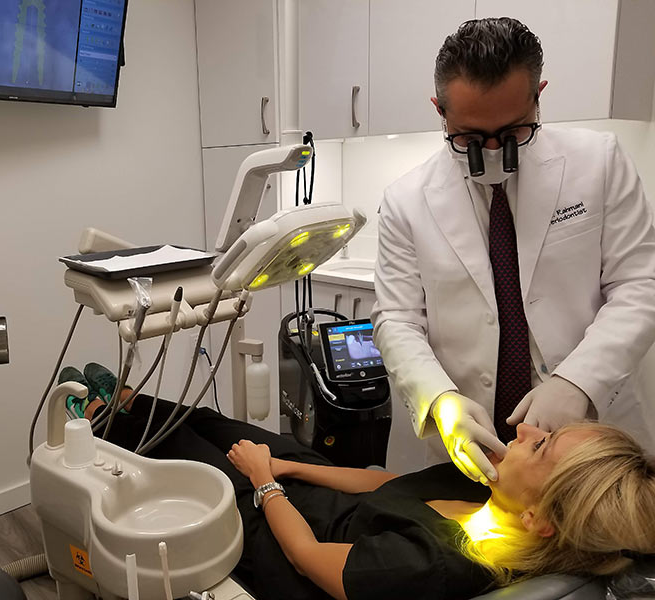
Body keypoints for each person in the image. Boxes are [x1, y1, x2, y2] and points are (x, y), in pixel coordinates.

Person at [62, 364, 655, 600]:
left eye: (542, 445)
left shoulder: (434, 566)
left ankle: (105, 417)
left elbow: (306, 557)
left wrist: (264, 481)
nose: (524, 428)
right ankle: (130, 402)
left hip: (288, 543)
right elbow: (387, 484)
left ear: (539, 519)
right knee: (214, 422)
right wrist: (288, 465)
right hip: (311, 498)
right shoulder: (489, 487)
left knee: (185, 454)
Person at [371, 17, 655, 484]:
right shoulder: (406, 200)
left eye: (513, 134)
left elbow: (640, 285)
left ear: (538, 96)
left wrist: (579, 381)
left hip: (592, 435)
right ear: (439, 110)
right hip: (467, 439)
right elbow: (396, 319)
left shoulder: (600, 163)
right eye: (468, 139)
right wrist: (440, 399)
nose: (492, 154)